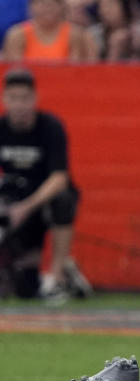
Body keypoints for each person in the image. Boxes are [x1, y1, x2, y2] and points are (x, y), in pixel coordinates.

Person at [0, 68, 91, 302]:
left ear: (35, 99)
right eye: (13, 98)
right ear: (5, 99)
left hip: (42, 203)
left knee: (63, 200)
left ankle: (58, 276)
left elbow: (59, 178)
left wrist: (25, 208)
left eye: (24, 98)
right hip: (15, 202)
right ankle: (57, 271)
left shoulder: (50, 127)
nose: (19, 105)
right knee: (26, 290)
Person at [2, 0, 89, 62]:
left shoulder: (75, 34)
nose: (47, 7)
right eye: (41, 2)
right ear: (31, 7)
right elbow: (14, 70)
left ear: (62, 7)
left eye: (53, 2)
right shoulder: (17, 35)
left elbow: (76, 69)